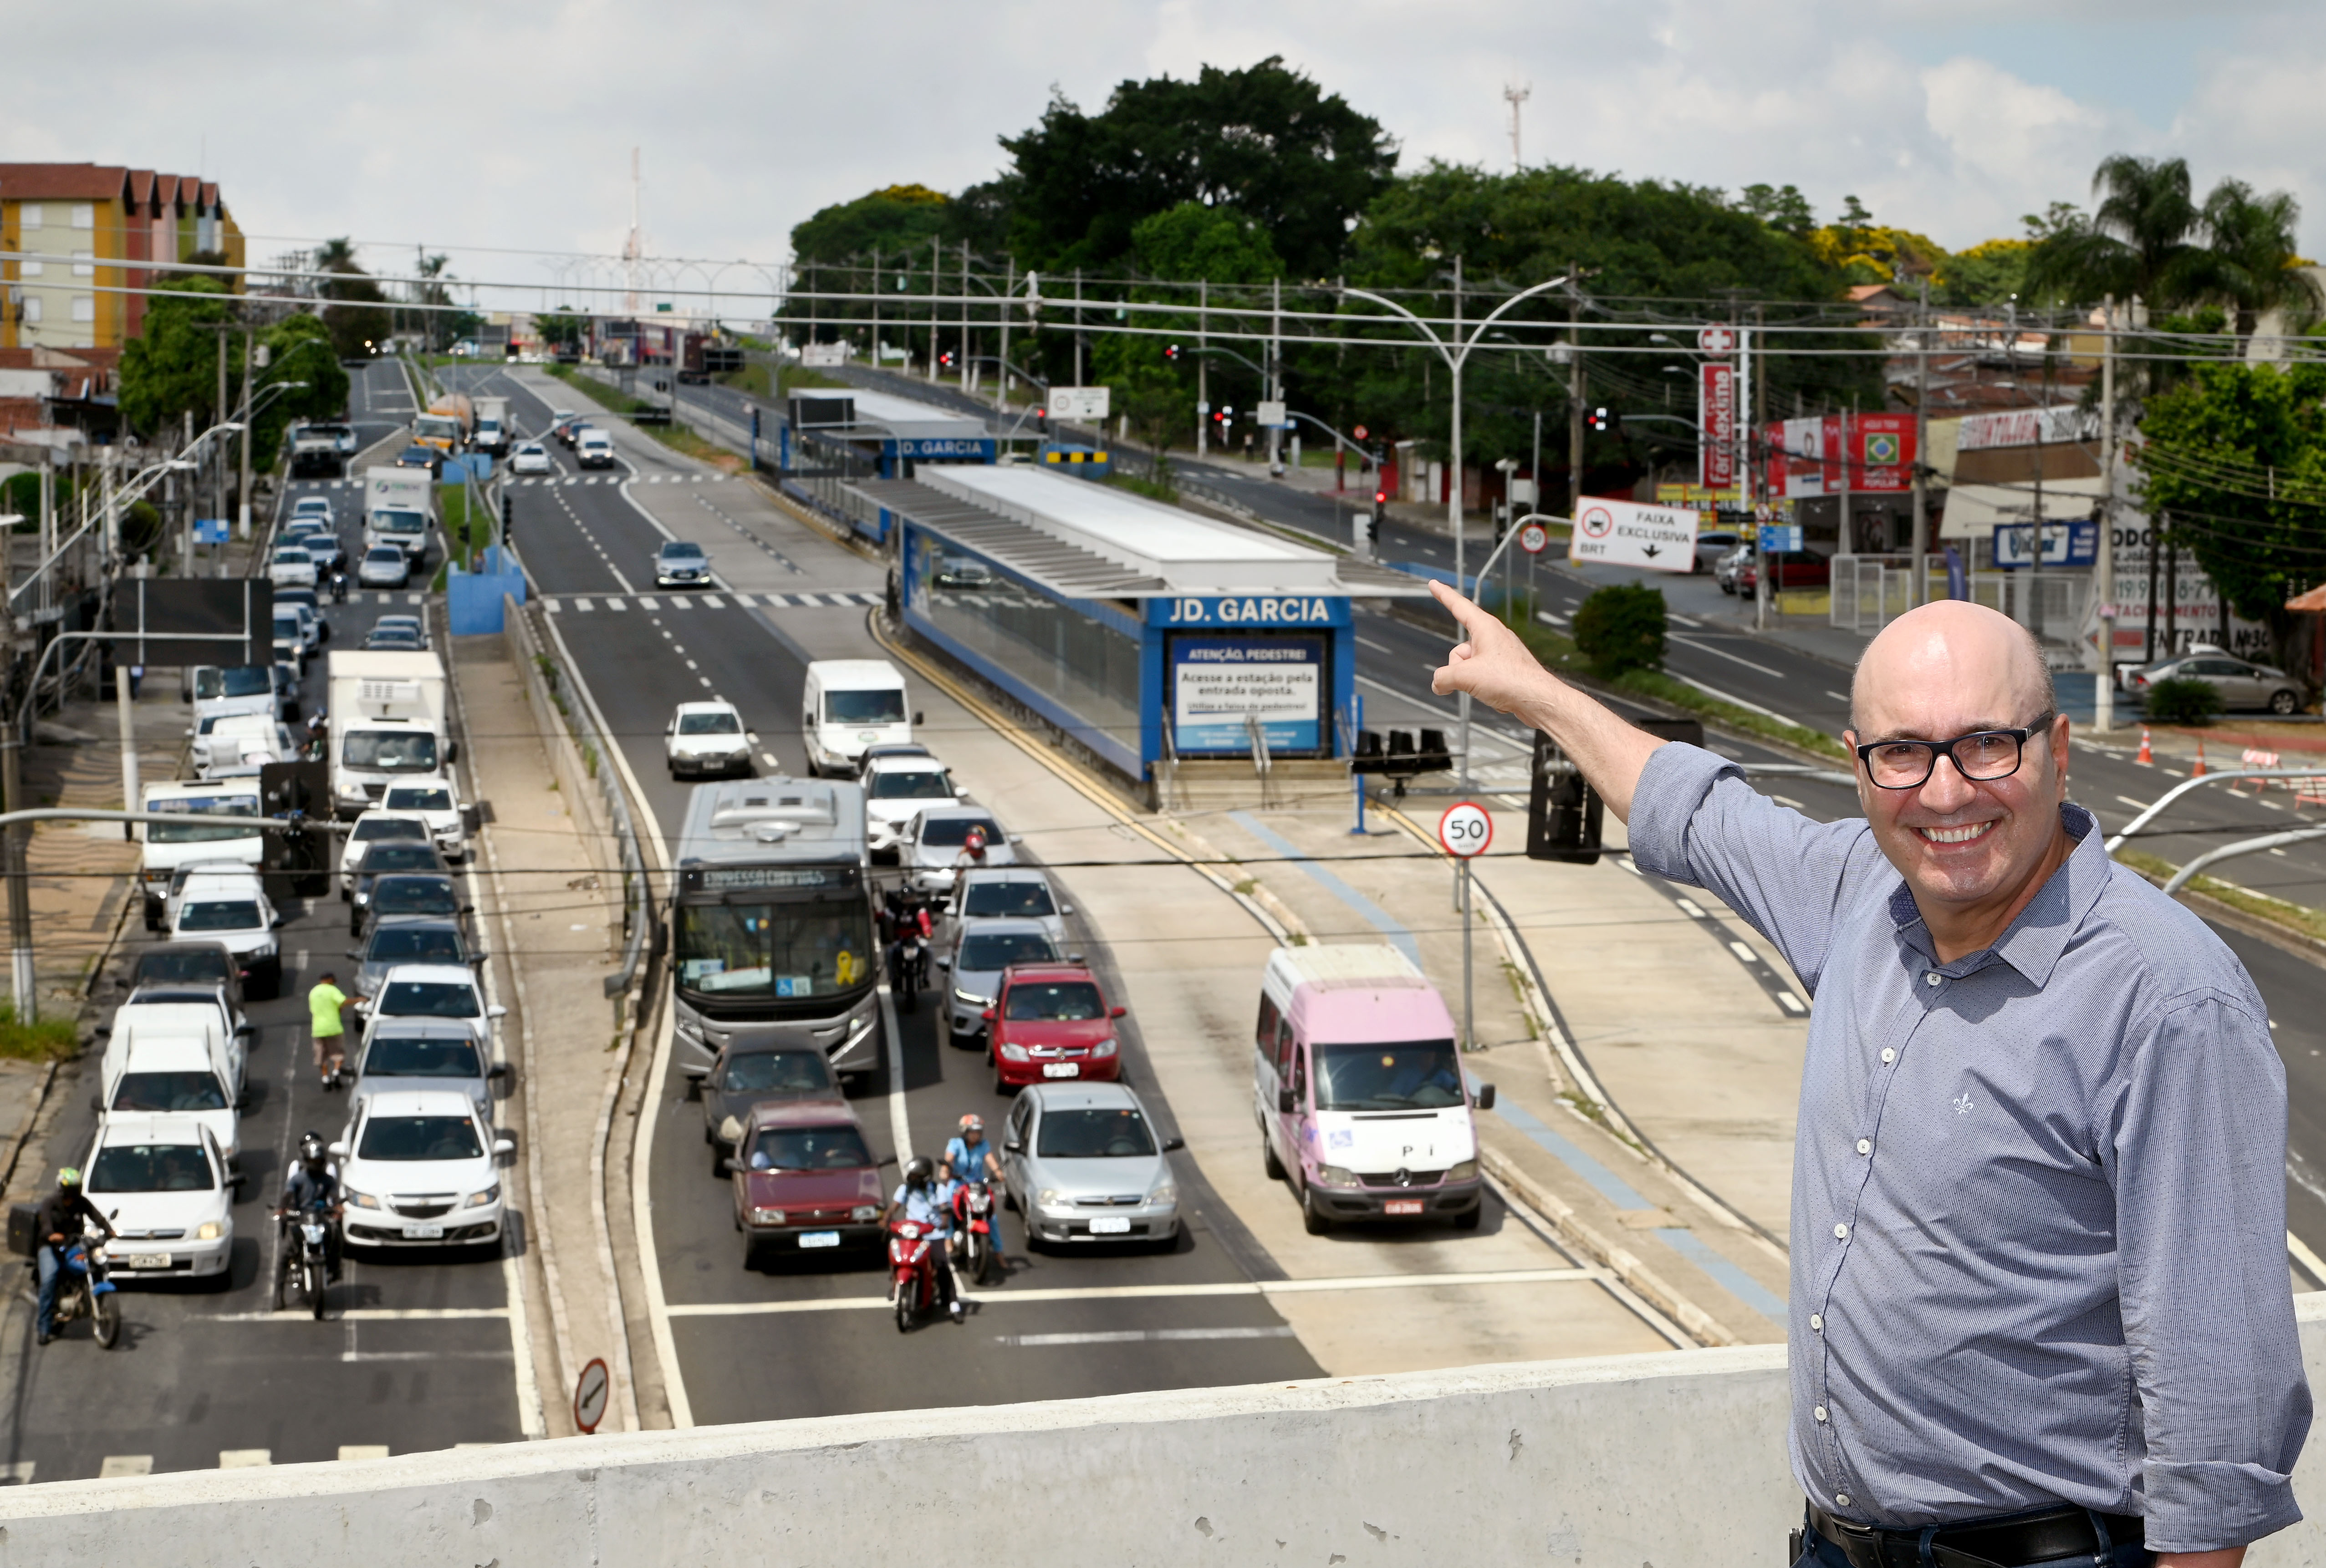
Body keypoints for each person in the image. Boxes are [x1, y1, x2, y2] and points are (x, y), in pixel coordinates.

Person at [1429, 585, 2307, 1568]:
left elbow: (2216, 1390)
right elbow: (1693, 804)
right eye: (1903, 753)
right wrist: (1530, 690)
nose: (1943, 793)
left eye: (1987, 744)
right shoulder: (1857, 894)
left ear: (2057, 746)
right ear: (1857, 765)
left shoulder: (2166, 998)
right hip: (1838, 1549)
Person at [33, 1167, 115, 1347]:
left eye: (77, 1187)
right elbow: (45, 1223)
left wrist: (109, 1230)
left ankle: (87, 1298)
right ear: (62, 1188)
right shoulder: (50, 1203)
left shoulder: (81, 1202)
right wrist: (51, 1234)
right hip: (50, 1246)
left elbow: (97, 1217)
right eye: (72, 1188)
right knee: (50, 1278)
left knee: (93, 1263)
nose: (74, 1192)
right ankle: (44, 1329)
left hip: (73, 1243)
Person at [882, 1156, 964, 1322]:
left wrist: (944, 1223)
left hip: (933, 1234)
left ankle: (954, 1305)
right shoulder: (906, 1189)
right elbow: (894, 1207)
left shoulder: (937, 1189)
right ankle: (895, 1285)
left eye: (914, 1176)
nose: (910, 1178)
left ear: (924, 1176)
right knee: (897, 1257)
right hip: (912, 1234)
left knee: (942, 1264)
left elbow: (944, 1208)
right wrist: (886, 1218)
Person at [275, 1130, 344, 1282]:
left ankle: (335, 1267)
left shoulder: (328, 1179)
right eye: (313, 1161)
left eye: (318, 1161)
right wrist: (283, 1209)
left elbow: (334, 1197)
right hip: (301, 1216)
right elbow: (288, 1194)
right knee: (285, 1253)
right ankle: (278, 1294)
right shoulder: (298, 1178)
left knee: (336, 1236)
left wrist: (337, 1209)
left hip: (321, 1217)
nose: (316, 1164)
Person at [942, 1113, 1008, 1271]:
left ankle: (998, 1252)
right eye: (972, 1131)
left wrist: (998, 1172)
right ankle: (948, 1238)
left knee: (991, 1215)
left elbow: (990, 1159)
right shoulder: (955, 1144)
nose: (976, 1135)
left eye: (978, 1132)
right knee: (948, 1206)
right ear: (965, 1131)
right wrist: (945, 1170)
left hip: (978, 1185)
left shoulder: (983, 1145)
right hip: (959, 1184)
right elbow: (948, 1160)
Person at [308, 970, 355, 1088]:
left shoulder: (313, 992)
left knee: (322, 1056)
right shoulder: (332, 990)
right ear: (329, 980)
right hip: (334, 1028)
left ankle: (325, 1079)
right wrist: (359, 1000)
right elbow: (343, 1001)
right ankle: (336, 1073)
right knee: (338, 1054)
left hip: (318, 1030)